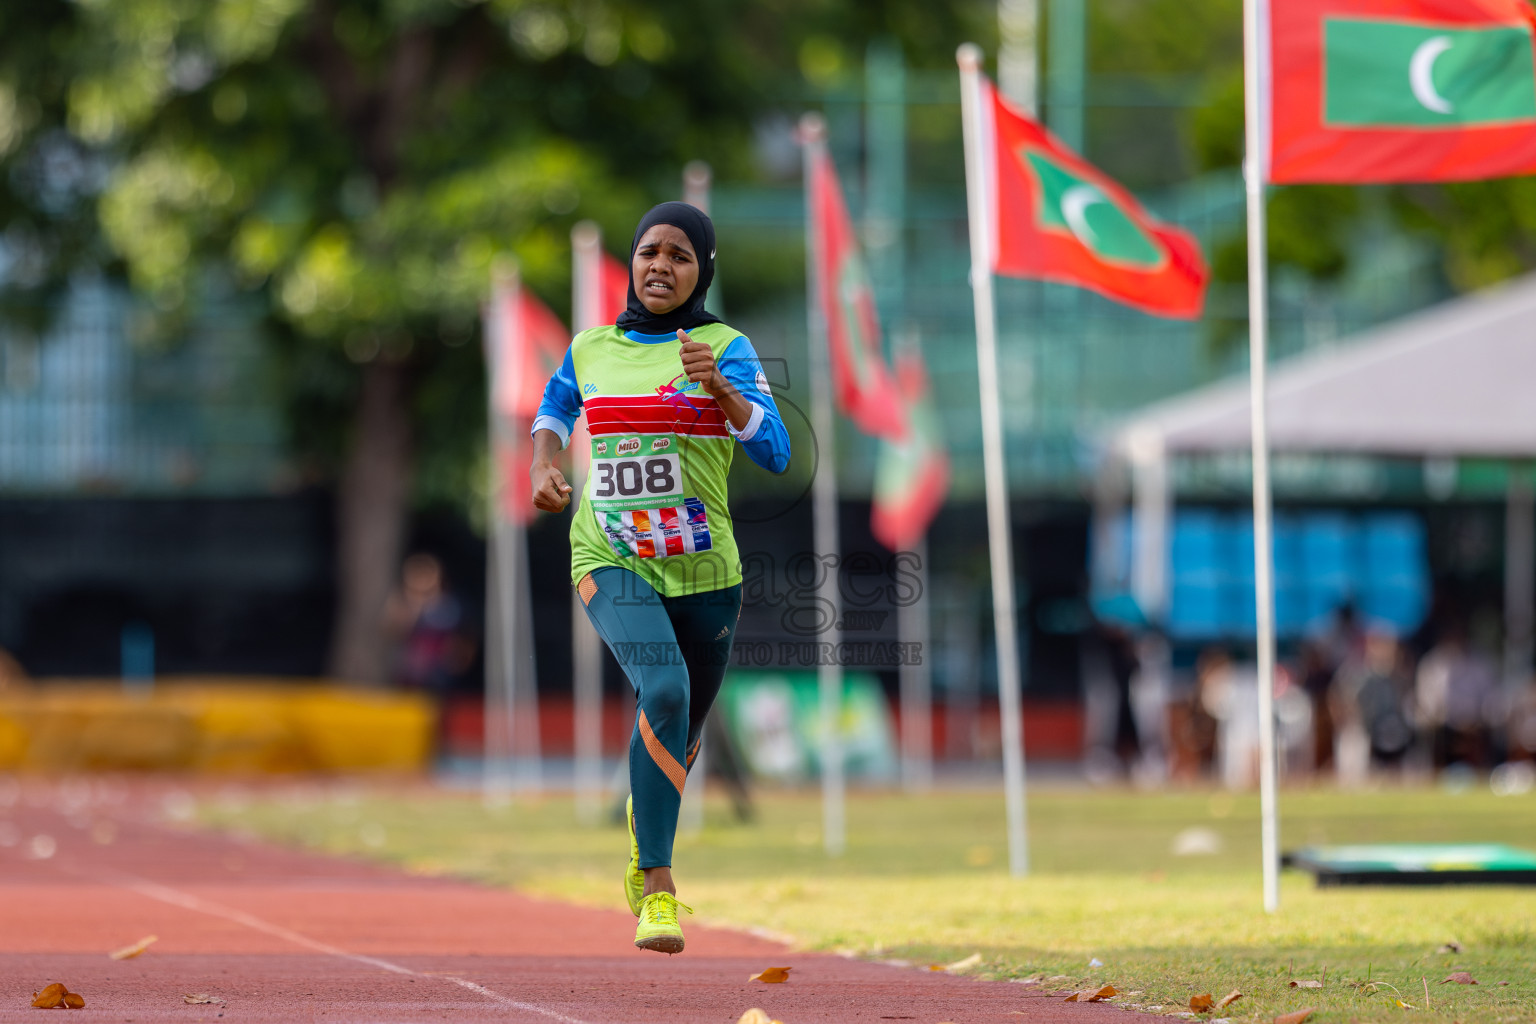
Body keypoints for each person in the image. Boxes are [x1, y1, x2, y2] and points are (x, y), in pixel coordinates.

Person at [528, 202, 789, 954]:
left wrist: (724, 392)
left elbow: (774, 451)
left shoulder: (725, 347)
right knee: (664, 691)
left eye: (680, 255)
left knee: (682, 726)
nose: (660, 266)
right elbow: (554, 406)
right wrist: (547, 461)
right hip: (609, 556)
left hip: (708, 572)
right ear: (632, 261)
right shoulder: (591, 346)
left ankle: (647, 863)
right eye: (649, 251)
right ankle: (659, 885)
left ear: (701, 270)